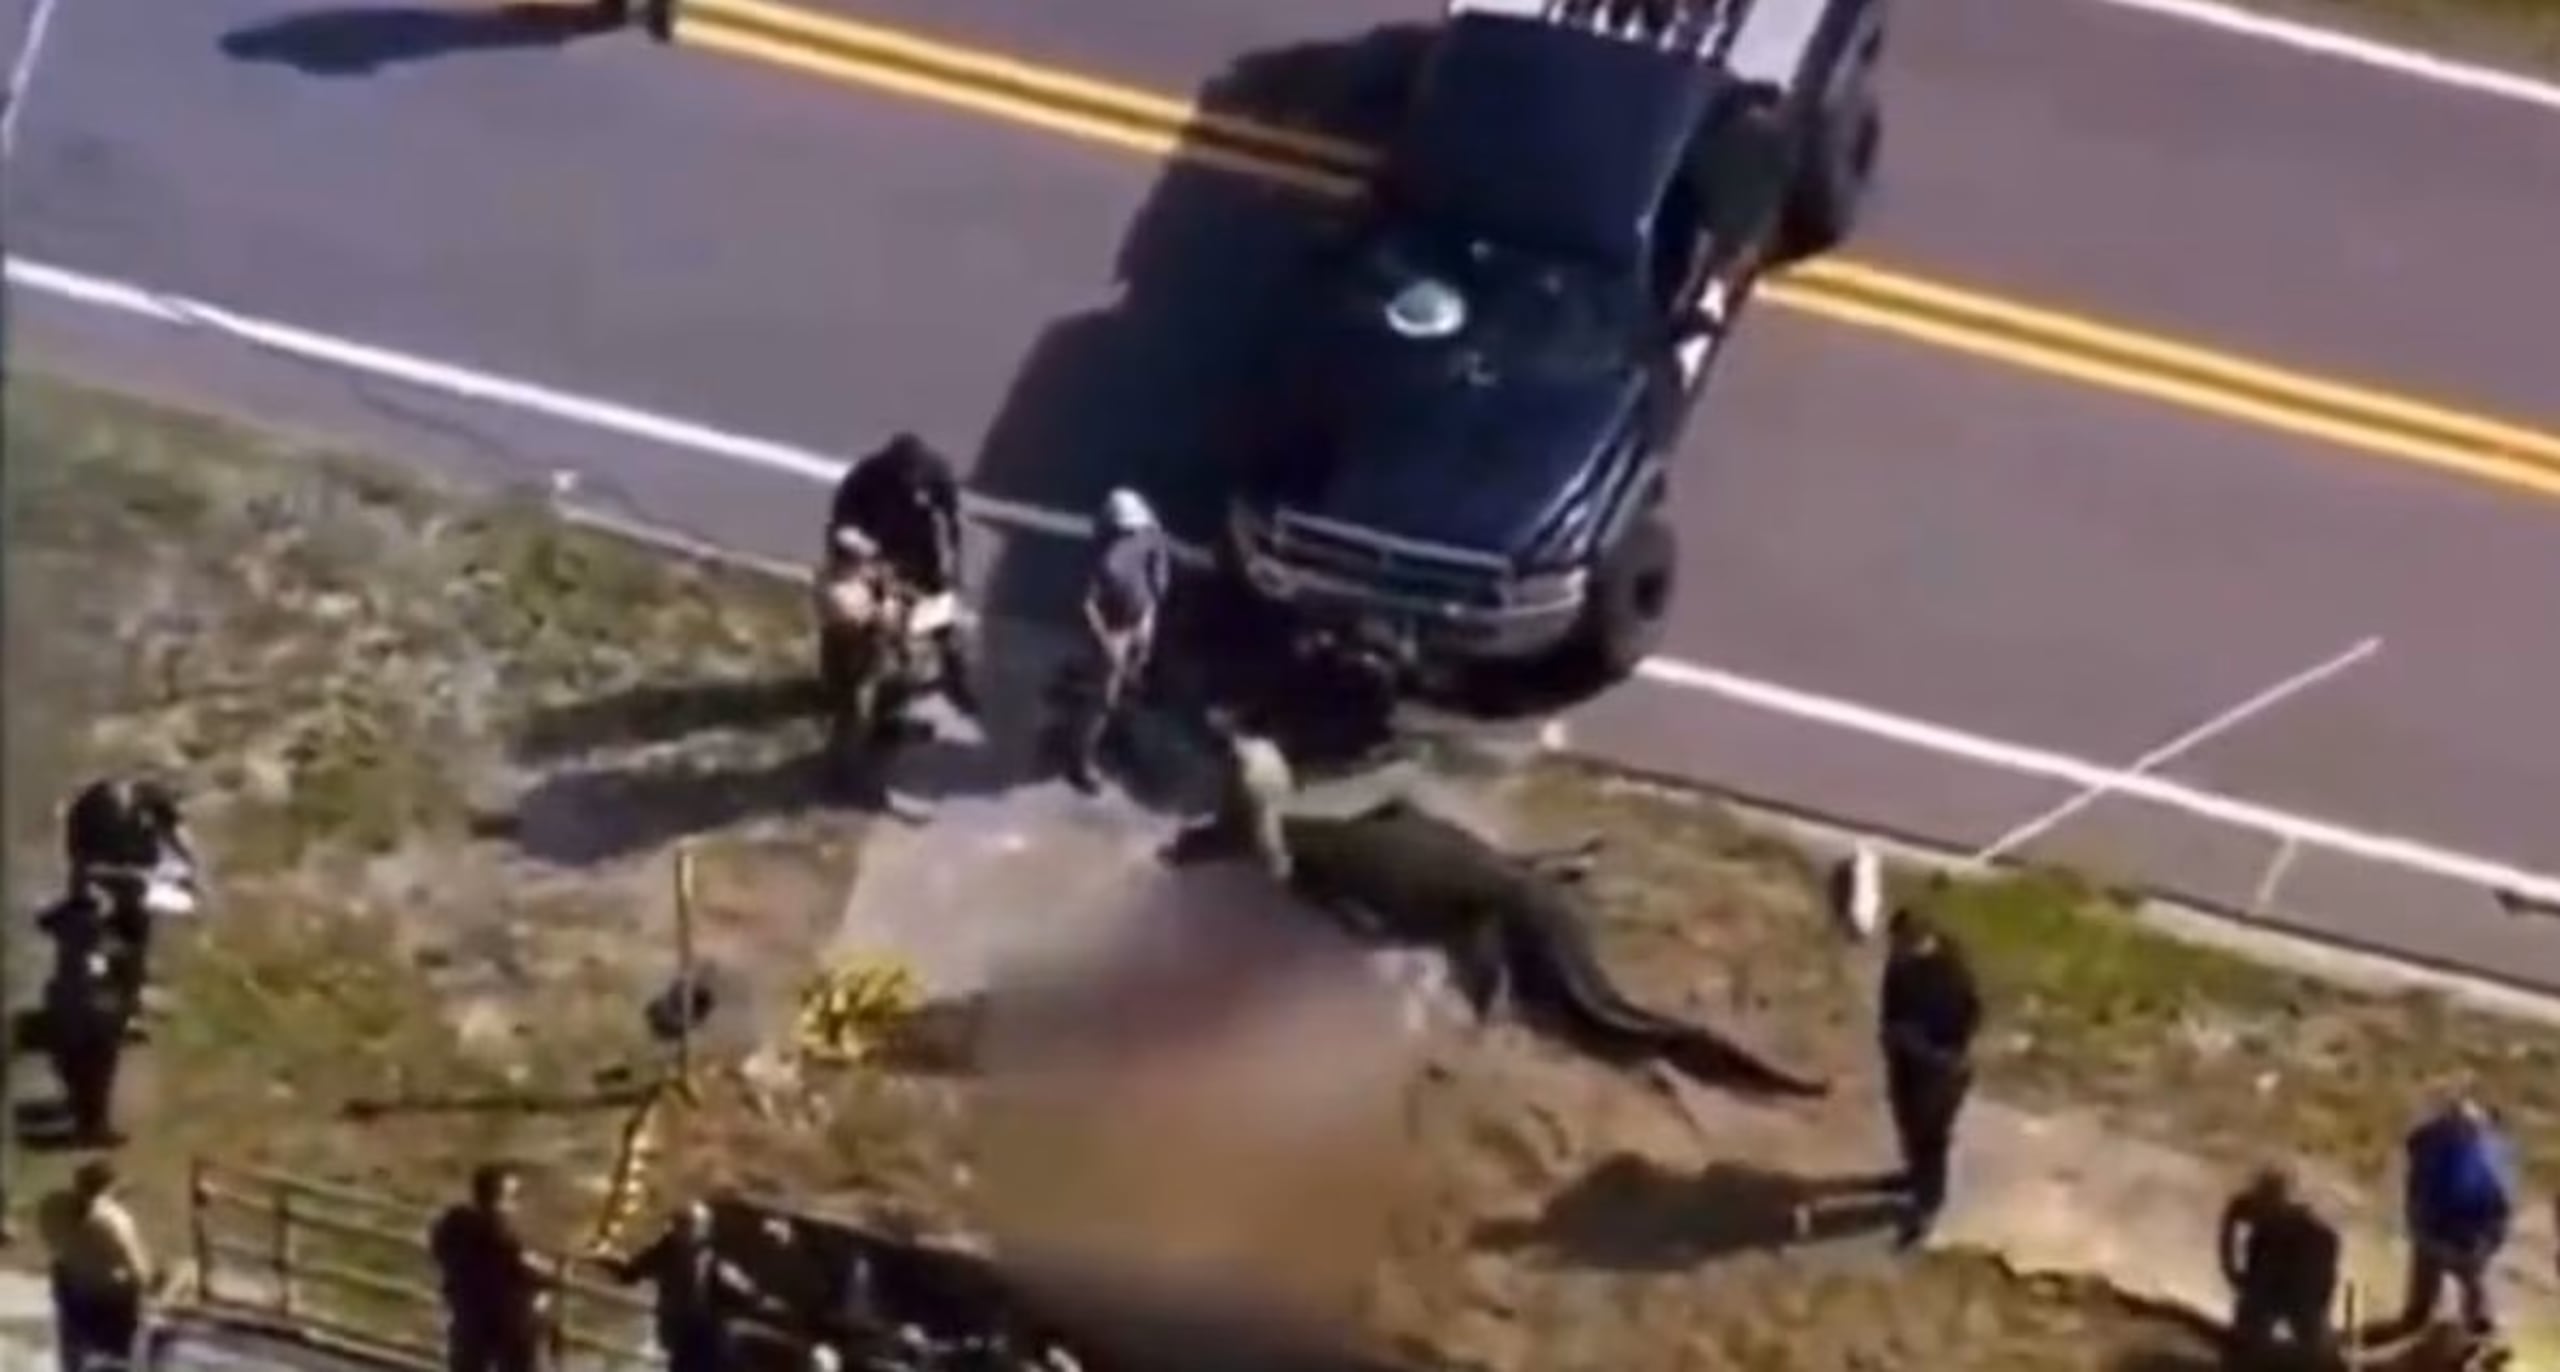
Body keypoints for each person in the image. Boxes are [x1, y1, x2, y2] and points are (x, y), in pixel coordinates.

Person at [827, 433, 981, 718]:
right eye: (903, 476)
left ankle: (954, 674)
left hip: (922, 557)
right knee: (848, 614)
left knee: (949, 619)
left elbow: (953, 524)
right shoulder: (864, 478)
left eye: (914, 477)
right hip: (871, 556)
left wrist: (953, 568)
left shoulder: (937, 475)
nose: (910, 485)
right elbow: (840, 526)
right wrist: (857, 552)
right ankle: (843, 682)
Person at [1876, 907, 1981, 1248]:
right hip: (1906, 1064)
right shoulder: (1900, 964)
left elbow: (1967, 1024)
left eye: (1903, 945)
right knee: (1908, 1128)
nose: (1896, 952)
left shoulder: (1949, 975)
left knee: (1930, 1142)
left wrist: (1925, 1047)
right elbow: (1891, 1006)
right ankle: (1912, 1179)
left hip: (1940, 1073)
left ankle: (1925, 1210)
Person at [1060, 487, 1173, 793]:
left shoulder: (1150, 536)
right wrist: (1106, 643)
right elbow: (1086, 605)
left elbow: (1156, 584)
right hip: (1112, 627)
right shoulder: (1102, 553)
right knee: (1103, 697)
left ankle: (1117, 733)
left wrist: (1147, 623)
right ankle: (1080, 759)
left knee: (1134, 679)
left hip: (1138, 619)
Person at [62, 777, 199, 996]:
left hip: (101, 869)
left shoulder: (131, 807)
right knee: (113, 917)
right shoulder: (119, 810)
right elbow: (177, 840)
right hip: (104, 871)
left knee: (121, 915)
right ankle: (105, 966)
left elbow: (177, 839)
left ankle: (110, 966)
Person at [2394, 1096, 2514, 1346]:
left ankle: (2469, 1326)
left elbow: (2497, 1207)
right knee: (2463, 1278)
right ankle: (2468, 1326)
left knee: (2463, 1278)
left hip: (2461, 1232)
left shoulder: (2472, 1156)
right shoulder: (2476, 1153)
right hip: (2449, 1228)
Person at [429, 1164, 551, 1372]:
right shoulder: (498, 1233)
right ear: (502, 1198)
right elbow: (529, 1269)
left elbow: (439, 1250)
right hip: (506, 1324)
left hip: (466, 1316)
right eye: (513, 1197)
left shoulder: (454, 1223)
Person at [2218, 1166, 2341, 1368]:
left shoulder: (2312, 1232)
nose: (2267, 1205)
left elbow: (2323, 1277)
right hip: (2270, 1278)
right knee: (2250, 1325)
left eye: (2272, 1197)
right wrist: (2232, 1272)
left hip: (2296, 1280)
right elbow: (2228, 1229)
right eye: (2264, 1196)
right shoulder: (2250, 1210)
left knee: (2309, 1328)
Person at [39, 1160, 153, 1372]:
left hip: (75, 1296)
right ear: (109, 1187)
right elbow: (138, 1269)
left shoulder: (54, 1209)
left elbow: (57, 1241)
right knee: (117, 1358)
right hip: (110, 1301)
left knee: (76, 1356)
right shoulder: (114, 1221)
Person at [609, 1202, 749, 1372]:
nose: (683, 1231)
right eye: (680, 1224)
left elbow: (739, 1293)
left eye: (688, 1224)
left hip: (705, 1333)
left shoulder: (710, 1259)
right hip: (683, 1331)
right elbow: (630, 1274)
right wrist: (611, 1262)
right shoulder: (663, 1251)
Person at [41, 919, 135, 1147]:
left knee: (84, 1086)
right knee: (94, 1085)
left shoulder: (66, 968)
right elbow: (99, 999)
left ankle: (88, 1128)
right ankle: (94, 1130)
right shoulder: (88, 967)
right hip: (89, 1037)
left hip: (75, 1036)